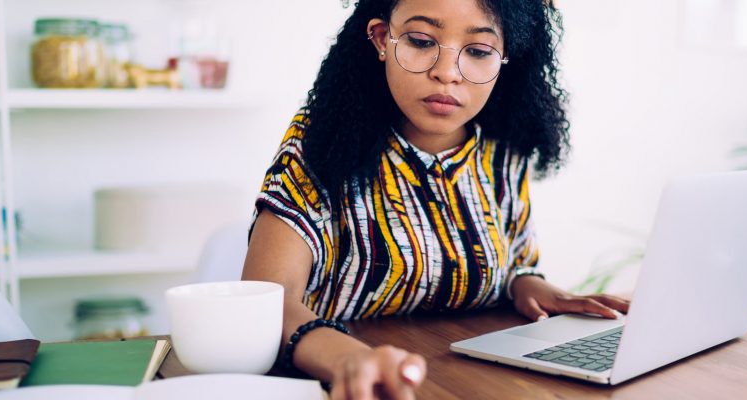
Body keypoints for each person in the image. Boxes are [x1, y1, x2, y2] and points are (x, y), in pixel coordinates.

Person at [242, 0, 629, 398]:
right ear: (381, 39)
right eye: (422, 41)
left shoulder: (502, 147)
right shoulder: (321, 138)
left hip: (464, 382)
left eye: (478, 51)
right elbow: (266, 299)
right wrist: (349, 358)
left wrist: (528, 284)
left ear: (505, 57)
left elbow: (514, 261)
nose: (446, 73)